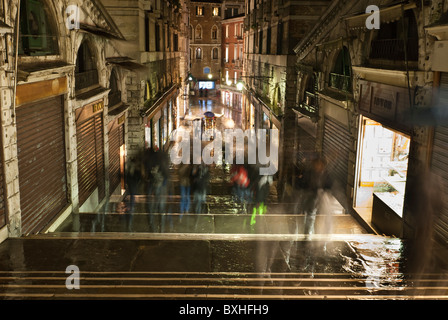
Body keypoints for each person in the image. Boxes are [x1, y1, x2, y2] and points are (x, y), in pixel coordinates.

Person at [126, 157, 141, 231]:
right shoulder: (135, 169)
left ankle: (130, 208)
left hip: (130, 186)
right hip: (133, 186)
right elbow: (138, 177)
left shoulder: (129, 169)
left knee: (131, 196)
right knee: (132, 197)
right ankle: (131, 208)